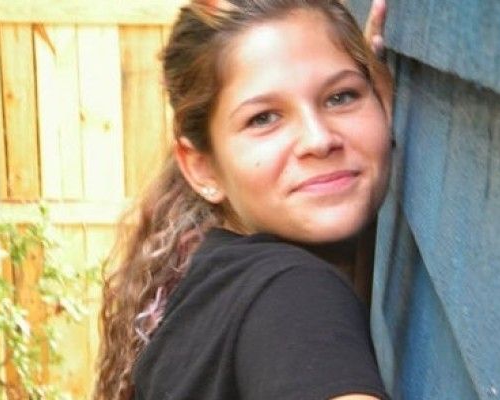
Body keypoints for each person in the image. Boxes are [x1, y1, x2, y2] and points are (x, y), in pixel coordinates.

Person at [94, 0, 392, 399]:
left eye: (341, 96)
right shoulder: (294, 293)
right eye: (263, 118)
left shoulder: (215, 286)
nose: (319, 139)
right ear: (203, 169)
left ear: (382, 102)